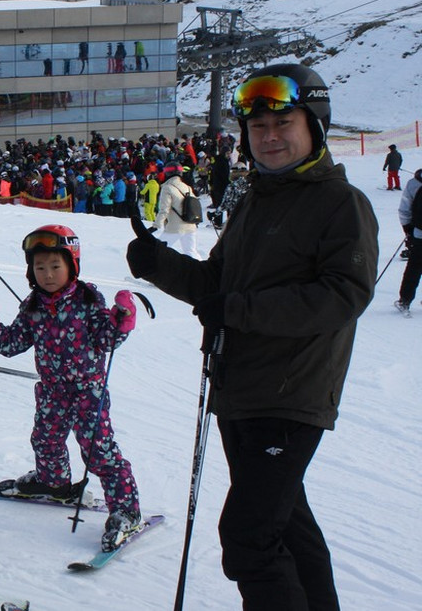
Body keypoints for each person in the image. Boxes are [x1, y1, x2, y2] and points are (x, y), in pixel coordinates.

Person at [126, 63, 377, 610]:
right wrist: (157, 264)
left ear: (315, 125)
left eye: (283, 123)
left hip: (289, 395)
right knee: (286, 527)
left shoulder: (340, 204)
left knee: (249, 539)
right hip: (240, 390)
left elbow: (343, 295)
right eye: (257, 128)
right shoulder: (256, 199)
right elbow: (216, 285)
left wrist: (237, 309)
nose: (268, 137)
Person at [0, 225, 143, 552]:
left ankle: (125, 509)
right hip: (52, 390)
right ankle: (55, 483)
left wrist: (122, 318)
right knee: (45, 439)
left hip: (88, 390)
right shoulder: (33, 305)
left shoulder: (88, 300)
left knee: (97, 449)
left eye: (55, 266)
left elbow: (107, 339)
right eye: (40, 267)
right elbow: (12, 342)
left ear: (72, 265)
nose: (47, 274)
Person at [154, 163, 201, 259]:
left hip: (175, 227)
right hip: (190, 224)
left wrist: (157, 225)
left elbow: (164, 209)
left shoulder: (167, 188)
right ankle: (203, 271)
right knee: (191, 251)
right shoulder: (187, 187)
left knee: (158, 250)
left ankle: (156, 272)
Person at [395, 168, 422, 316]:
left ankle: (404, 300)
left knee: (414, 268)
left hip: (419, 234)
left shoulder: (414, 183)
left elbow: (404, 210)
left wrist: (408, 231)